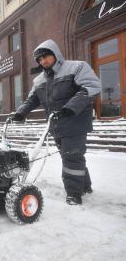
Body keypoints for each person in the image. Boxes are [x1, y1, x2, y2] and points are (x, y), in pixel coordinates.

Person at [11, 39, 101, 205]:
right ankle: (85, 186)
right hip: (57, 126)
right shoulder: (39, 80)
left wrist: (70, 108)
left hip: (76, 123)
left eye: (46, 56)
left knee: (71, 158)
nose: (43, 61)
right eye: (40, 59)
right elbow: (32, 99)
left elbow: (91, 86)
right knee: (72, 157)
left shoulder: (76, 67)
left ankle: (74, 194)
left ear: (56, 54)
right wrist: (20, 113)